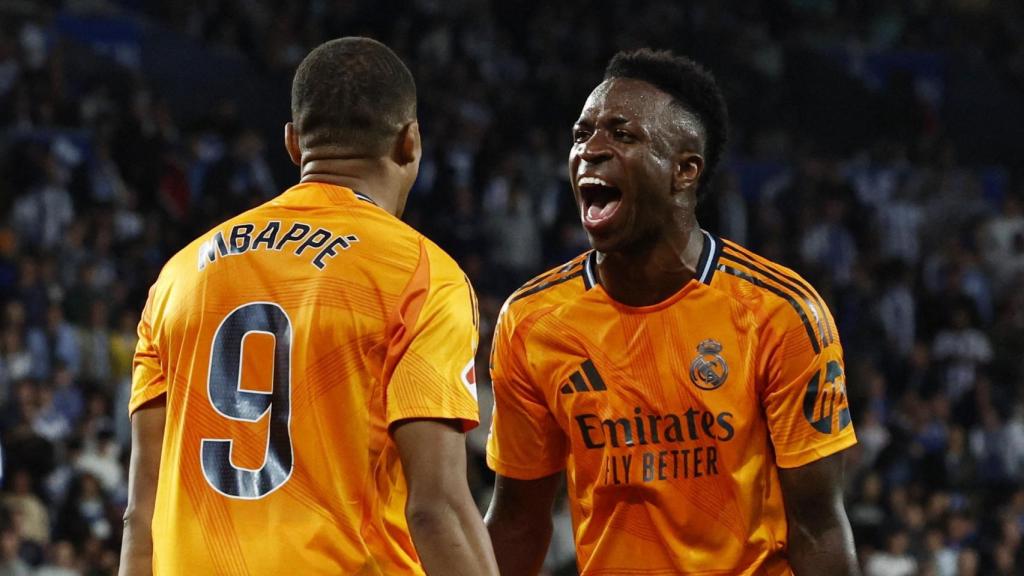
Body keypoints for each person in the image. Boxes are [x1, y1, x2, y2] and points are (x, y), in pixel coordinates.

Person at [119, 37, 499, 576]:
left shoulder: (178, 276)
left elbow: (141, 514)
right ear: (410, 142)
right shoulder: (421, 275)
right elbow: (437, 510)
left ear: (293, 143)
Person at [485, 48, 860, 575]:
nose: (591, 150)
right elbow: (517, 522)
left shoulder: (780, 313)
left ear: (684, 170)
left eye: (622, 134)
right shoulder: (532, 321)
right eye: (581, 134)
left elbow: (818, 527)